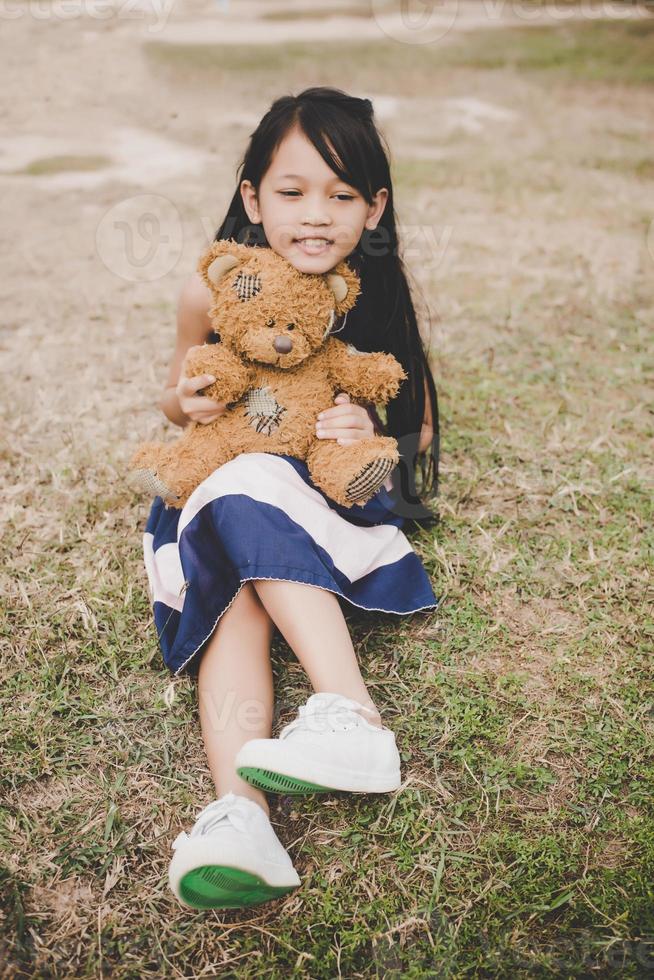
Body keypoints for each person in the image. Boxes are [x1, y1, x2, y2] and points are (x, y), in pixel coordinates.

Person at [142, 87, 441, 910]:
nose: (317, 215)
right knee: (231, 585)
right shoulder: (213, 289)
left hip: (322, 490)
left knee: (247, 493)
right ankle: (242, 816)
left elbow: (406, 428)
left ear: (375, 208)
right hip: (221, 483)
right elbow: (174, 393)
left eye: (343, 195)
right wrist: (188, 405)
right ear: (251, 198)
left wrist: (362, 423)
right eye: (292, 190)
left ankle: (354, 716)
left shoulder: (367, 294)